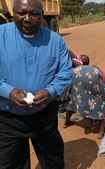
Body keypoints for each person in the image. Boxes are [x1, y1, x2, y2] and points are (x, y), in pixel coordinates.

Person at [0, 0, 73, 168]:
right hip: (7, 117)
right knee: (10, 163)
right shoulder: (1, 36)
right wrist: (8, 92)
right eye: (21, 13)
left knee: (53, 161)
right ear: (13, 12)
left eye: (34, 14)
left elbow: (65, 72)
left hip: (44, 115)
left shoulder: (55, 41)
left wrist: (51, 91)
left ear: (42, 15)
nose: (27, 18)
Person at [65, 62, 105, 138]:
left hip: (77, 80)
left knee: (73, 100)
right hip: (91, 82)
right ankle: (101, 132)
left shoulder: (80, 69)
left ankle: (67, 121)